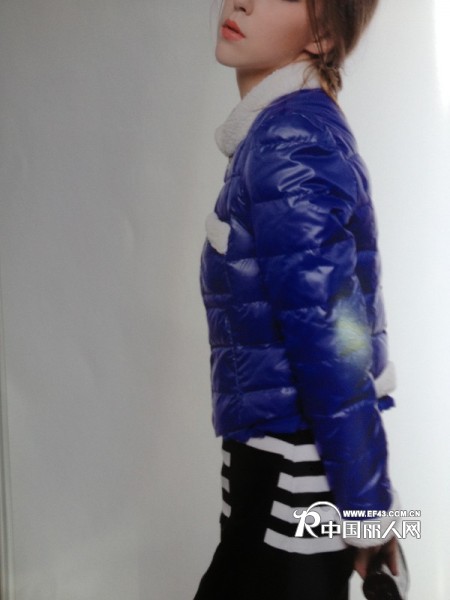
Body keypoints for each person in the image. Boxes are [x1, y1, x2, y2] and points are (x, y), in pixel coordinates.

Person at [195, 1, 401, 598]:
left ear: (324, 34)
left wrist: (368, 510)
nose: (241, 1)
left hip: (291, 476)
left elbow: (333, 342)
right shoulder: (281, 132)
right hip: (284, 468)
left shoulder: (291, 140)